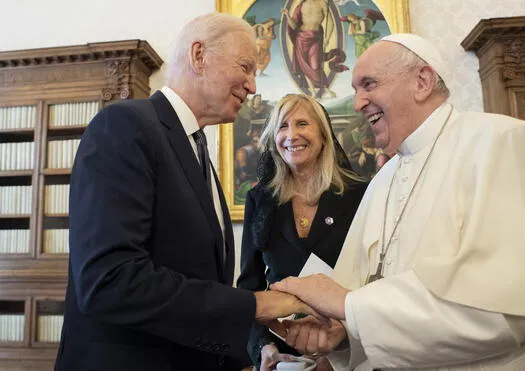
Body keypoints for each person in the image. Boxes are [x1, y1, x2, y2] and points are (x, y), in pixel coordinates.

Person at [270, 33, 525, 370]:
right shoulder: (382, 180)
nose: (359, 101)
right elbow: (372, 295)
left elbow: (509, 311)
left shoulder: (501, 142)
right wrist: (345, 333)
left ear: (422, 81)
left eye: (369, 84)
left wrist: (349, 308)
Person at [54, 13, 319, 371]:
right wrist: (254, 305)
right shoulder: (124, 127)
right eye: (245, 67)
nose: (253, 86)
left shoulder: (196, 151)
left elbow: (198, 280)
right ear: (199, 55)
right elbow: (109, 280)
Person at [237, 94, 368, 371]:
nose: (291, 135)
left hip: (349, 350)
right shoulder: (259, 200)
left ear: (323, 136)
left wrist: (339, 350)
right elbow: (249, 288)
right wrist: (264, 348)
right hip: (284, 355)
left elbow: (374, 280)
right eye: (282, 126)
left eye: (302, 123)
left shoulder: (361, 194)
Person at [282, 0, 347, 99]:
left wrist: (327, 39)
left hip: (316, 38)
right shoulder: (301, 5)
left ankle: (326, 89)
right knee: (304, 66)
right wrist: (287, 15)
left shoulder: (322, 3)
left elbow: (330, 23)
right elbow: (294, 26)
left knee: (315, 65)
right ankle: (312, 92)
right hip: (301, 37)